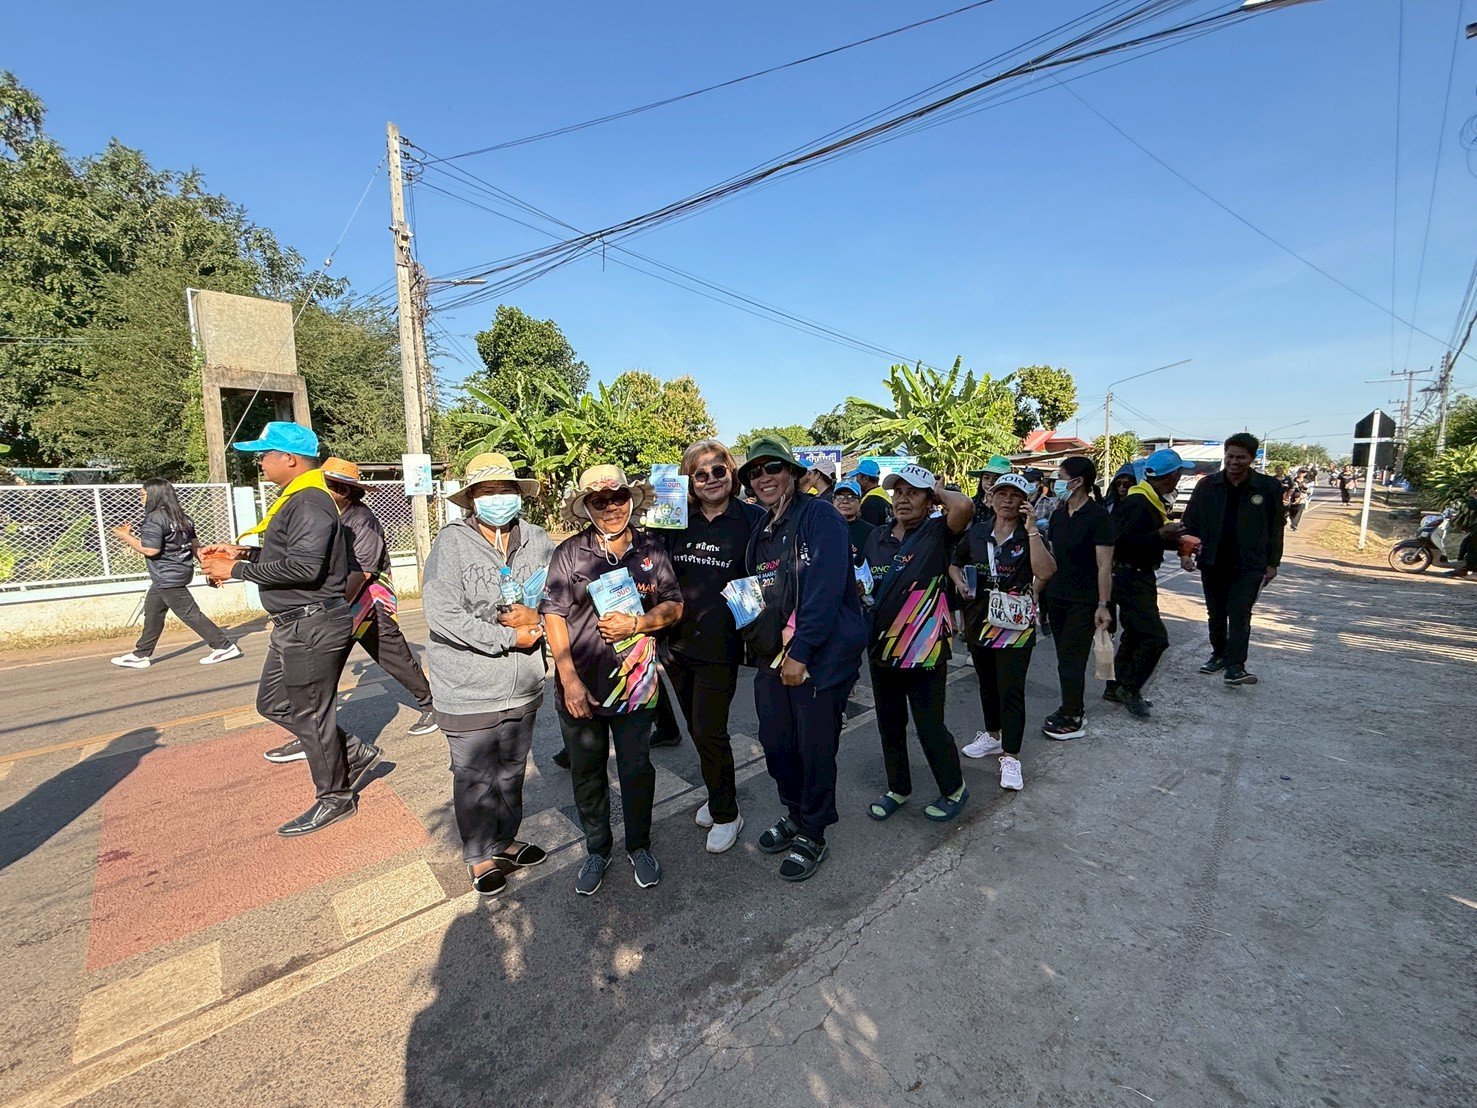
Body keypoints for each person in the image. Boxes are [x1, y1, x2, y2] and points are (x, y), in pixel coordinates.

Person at [200, 422, 379, 837]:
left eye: (264, 455)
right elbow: (291, 553)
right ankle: (353, 751)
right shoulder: (298, 500)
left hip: (312, 624)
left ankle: (335, 797)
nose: (260, 463)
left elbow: (304, 567)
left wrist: (235, 570)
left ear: (289, 459)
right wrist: (244, 552)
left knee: (311, 714)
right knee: (272, 703)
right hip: (293, 624)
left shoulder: (310, 501)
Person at [542, 465, 684, 897]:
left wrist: (639, 623)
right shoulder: (569, 553)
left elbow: (674, 605)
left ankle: (639, 845)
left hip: (636, 684)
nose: (610, 507)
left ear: (631, 500)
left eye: (618, 497)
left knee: (636, 769)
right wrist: (568, 679)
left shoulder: (651, 549)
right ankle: (597, 849)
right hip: (581, 687)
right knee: (587, 772)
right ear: (586, 506)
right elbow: (553, 615)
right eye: (599, 501)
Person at [422, 452, 553, 898]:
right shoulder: (452, 543)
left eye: (505, 489)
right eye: (487, 491)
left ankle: (505, 841)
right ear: (472, 499)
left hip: (524, 685)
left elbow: (557, 597)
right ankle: (479, 855)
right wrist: (506, 638)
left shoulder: (538, 540)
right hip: (468, 689)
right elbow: (441, 614)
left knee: (512, 772)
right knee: (475, 776)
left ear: (519, 494)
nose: (497, 498)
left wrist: (536, 620)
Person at [742, 436, 866, 882]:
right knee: (776, 743)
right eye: (755, 472)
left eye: (773, 468)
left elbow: (826, 590)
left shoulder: (820, 516)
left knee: (815, 748)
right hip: (773, 657)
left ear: (792, 473)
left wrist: (801, 652)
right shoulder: (763, 527)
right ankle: (794, 813)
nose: (764, 477)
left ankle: (814, 830)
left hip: (817, 656)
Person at [644, 440, 766, 853]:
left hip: (722, 646)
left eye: (719, 471)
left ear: (731, 474)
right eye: (700, 474)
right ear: (688, 481)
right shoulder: (675, 519)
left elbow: (765, 575)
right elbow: (651, 566)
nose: (711, 479)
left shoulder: (751, 518)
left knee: (709, 730)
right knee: (699, 731)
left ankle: (727, 813)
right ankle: (717, 794)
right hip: (676, 643)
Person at [858, 464, 973, 823]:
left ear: (929, 500)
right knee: (890, 724)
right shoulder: (876, 537)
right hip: (881, 647)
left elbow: (964, 507)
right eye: (898, 492)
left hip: (925, 648)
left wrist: (938, 492)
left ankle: (954, 788)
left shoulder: (937, 531)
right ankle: (899, 788)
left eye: (913, 492)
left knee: (929, 725)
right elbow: (866, 581)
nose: (903, 499)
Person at [311, 458, 437, 742]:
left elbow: (363, 571)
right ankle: (314, 729)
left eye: (326, 486)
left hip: (368, 605)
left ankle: (432, 705)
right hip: (342, 605)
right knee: (325, 668)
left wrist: (331, 607)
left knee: (394, 658)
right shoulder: (333, 518)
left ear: (344, 490)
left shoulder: (362, 521)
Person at [949, 473, 1056, 791]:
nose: (1007, 500)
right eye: (1001, 493)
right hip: (979, 619)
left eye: (1014, 495)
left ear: (1025, 500)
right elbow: (954, 562)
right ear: (991, 497)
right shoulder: (978, 531)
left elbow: (1046, 571)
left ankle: (1011, 756)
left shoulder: (1030, 534)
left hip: (1015, 624)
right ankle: (993, 735)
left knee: (1011, 689)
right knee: (987, 684)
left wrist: (1032, 529)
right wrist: (959, 581)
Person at [1180, 432, 1285, 688]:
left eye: (1241, 457)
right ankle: (1219, 655)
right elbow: (1190, 522)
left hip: (1250, 563)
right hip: (1213, 560)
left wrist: (1273, 563)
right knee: (1216, 612)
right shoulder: (1207, 485)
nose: (1234, 462)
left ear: (1252, 458)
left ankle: (1236, 666)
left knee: (1239, 612)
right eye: (1230, 456)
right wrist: (1185, 553)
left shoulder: (1268, 487)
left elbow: (1276, 528)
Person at [110, 478, 240, 669]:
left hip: (167, 576)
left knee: (189, 613)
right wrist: (208, 566)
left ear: (154, 495)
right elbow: (196, 547)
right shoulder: (183, 518)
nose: (141, 499)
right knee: (153, 612)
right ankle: (141, 654)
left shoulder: (154, 519)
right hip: (178, 572)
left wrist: (125, 536)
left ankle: (224, 646)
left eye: (143, 495)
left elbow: (150, 550)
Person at [1106, 449, 1192, 719]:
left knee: (1134, 634)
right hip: (1130, 577)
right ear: (1173, 475)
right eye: (1180, 473)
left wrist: (1173, 540)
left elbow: (1142, 539)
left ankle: (1115, 686)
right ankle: (1130, 688)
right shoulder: (1138, 502)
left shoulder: (1150, 500)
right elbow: (1120, 543)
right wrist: (1159, 534)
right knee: (1155, 638)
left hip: (1138, 575)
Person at [1039, 456, 1114, 740]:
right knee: (1064, 657)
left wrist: (1103, 604)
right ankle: (1069, 707)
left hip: (1084, 600)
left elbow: (1104, 566)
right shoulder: (1058, 515)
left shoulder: (1098, 517)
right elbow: (1053, 558)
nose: (1055, 484)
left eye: (1060, 478)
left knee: (1073, 658)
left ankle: (1073, 716)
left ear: (1078, 481)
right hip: (1057, 596)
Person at [832, 479, 877, 565]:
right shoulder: (822, 528)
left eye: (851, 497)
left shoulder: (871, 532)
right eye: (840, 497)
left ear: (859, 503)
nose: (845, 501)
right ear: (833, 501)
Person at [966, 455, 1015, 524]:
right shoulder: (970, 504)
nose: (990, 482)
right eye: (986, 478)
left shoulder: (1010, 507)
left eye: (996, 478)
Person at [847, 458, 893, 527]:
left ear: (865, 479)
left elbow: (867, 529)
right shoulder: (883, 494)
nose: (856, 481)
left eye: (857, 477)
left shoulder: (870, 502)